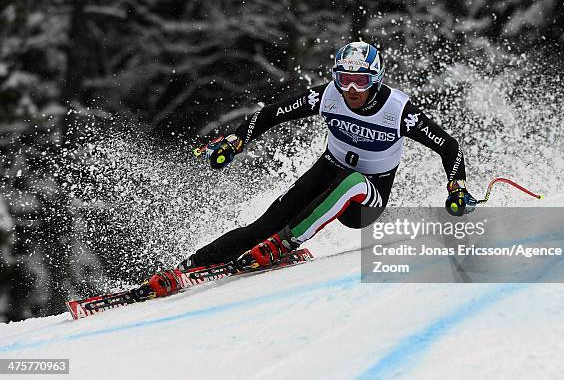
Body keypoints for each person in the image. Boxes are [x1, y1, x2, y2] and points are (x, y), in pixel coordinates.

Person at [147, 41, 477, 297]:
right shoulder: (329, 95)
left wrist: (456, 186)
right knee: (265, 224)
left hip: (367, 197)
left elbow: (448, 145)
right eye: (344, 80)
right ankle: (186, 268)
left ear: (374, 81)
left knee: (351, 180)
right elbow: (272, 114)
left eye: (360, 82)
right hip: (328, 172)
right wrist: (236, 140)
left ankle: (287, 242)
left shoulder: (398, 109)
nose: (351, 91)